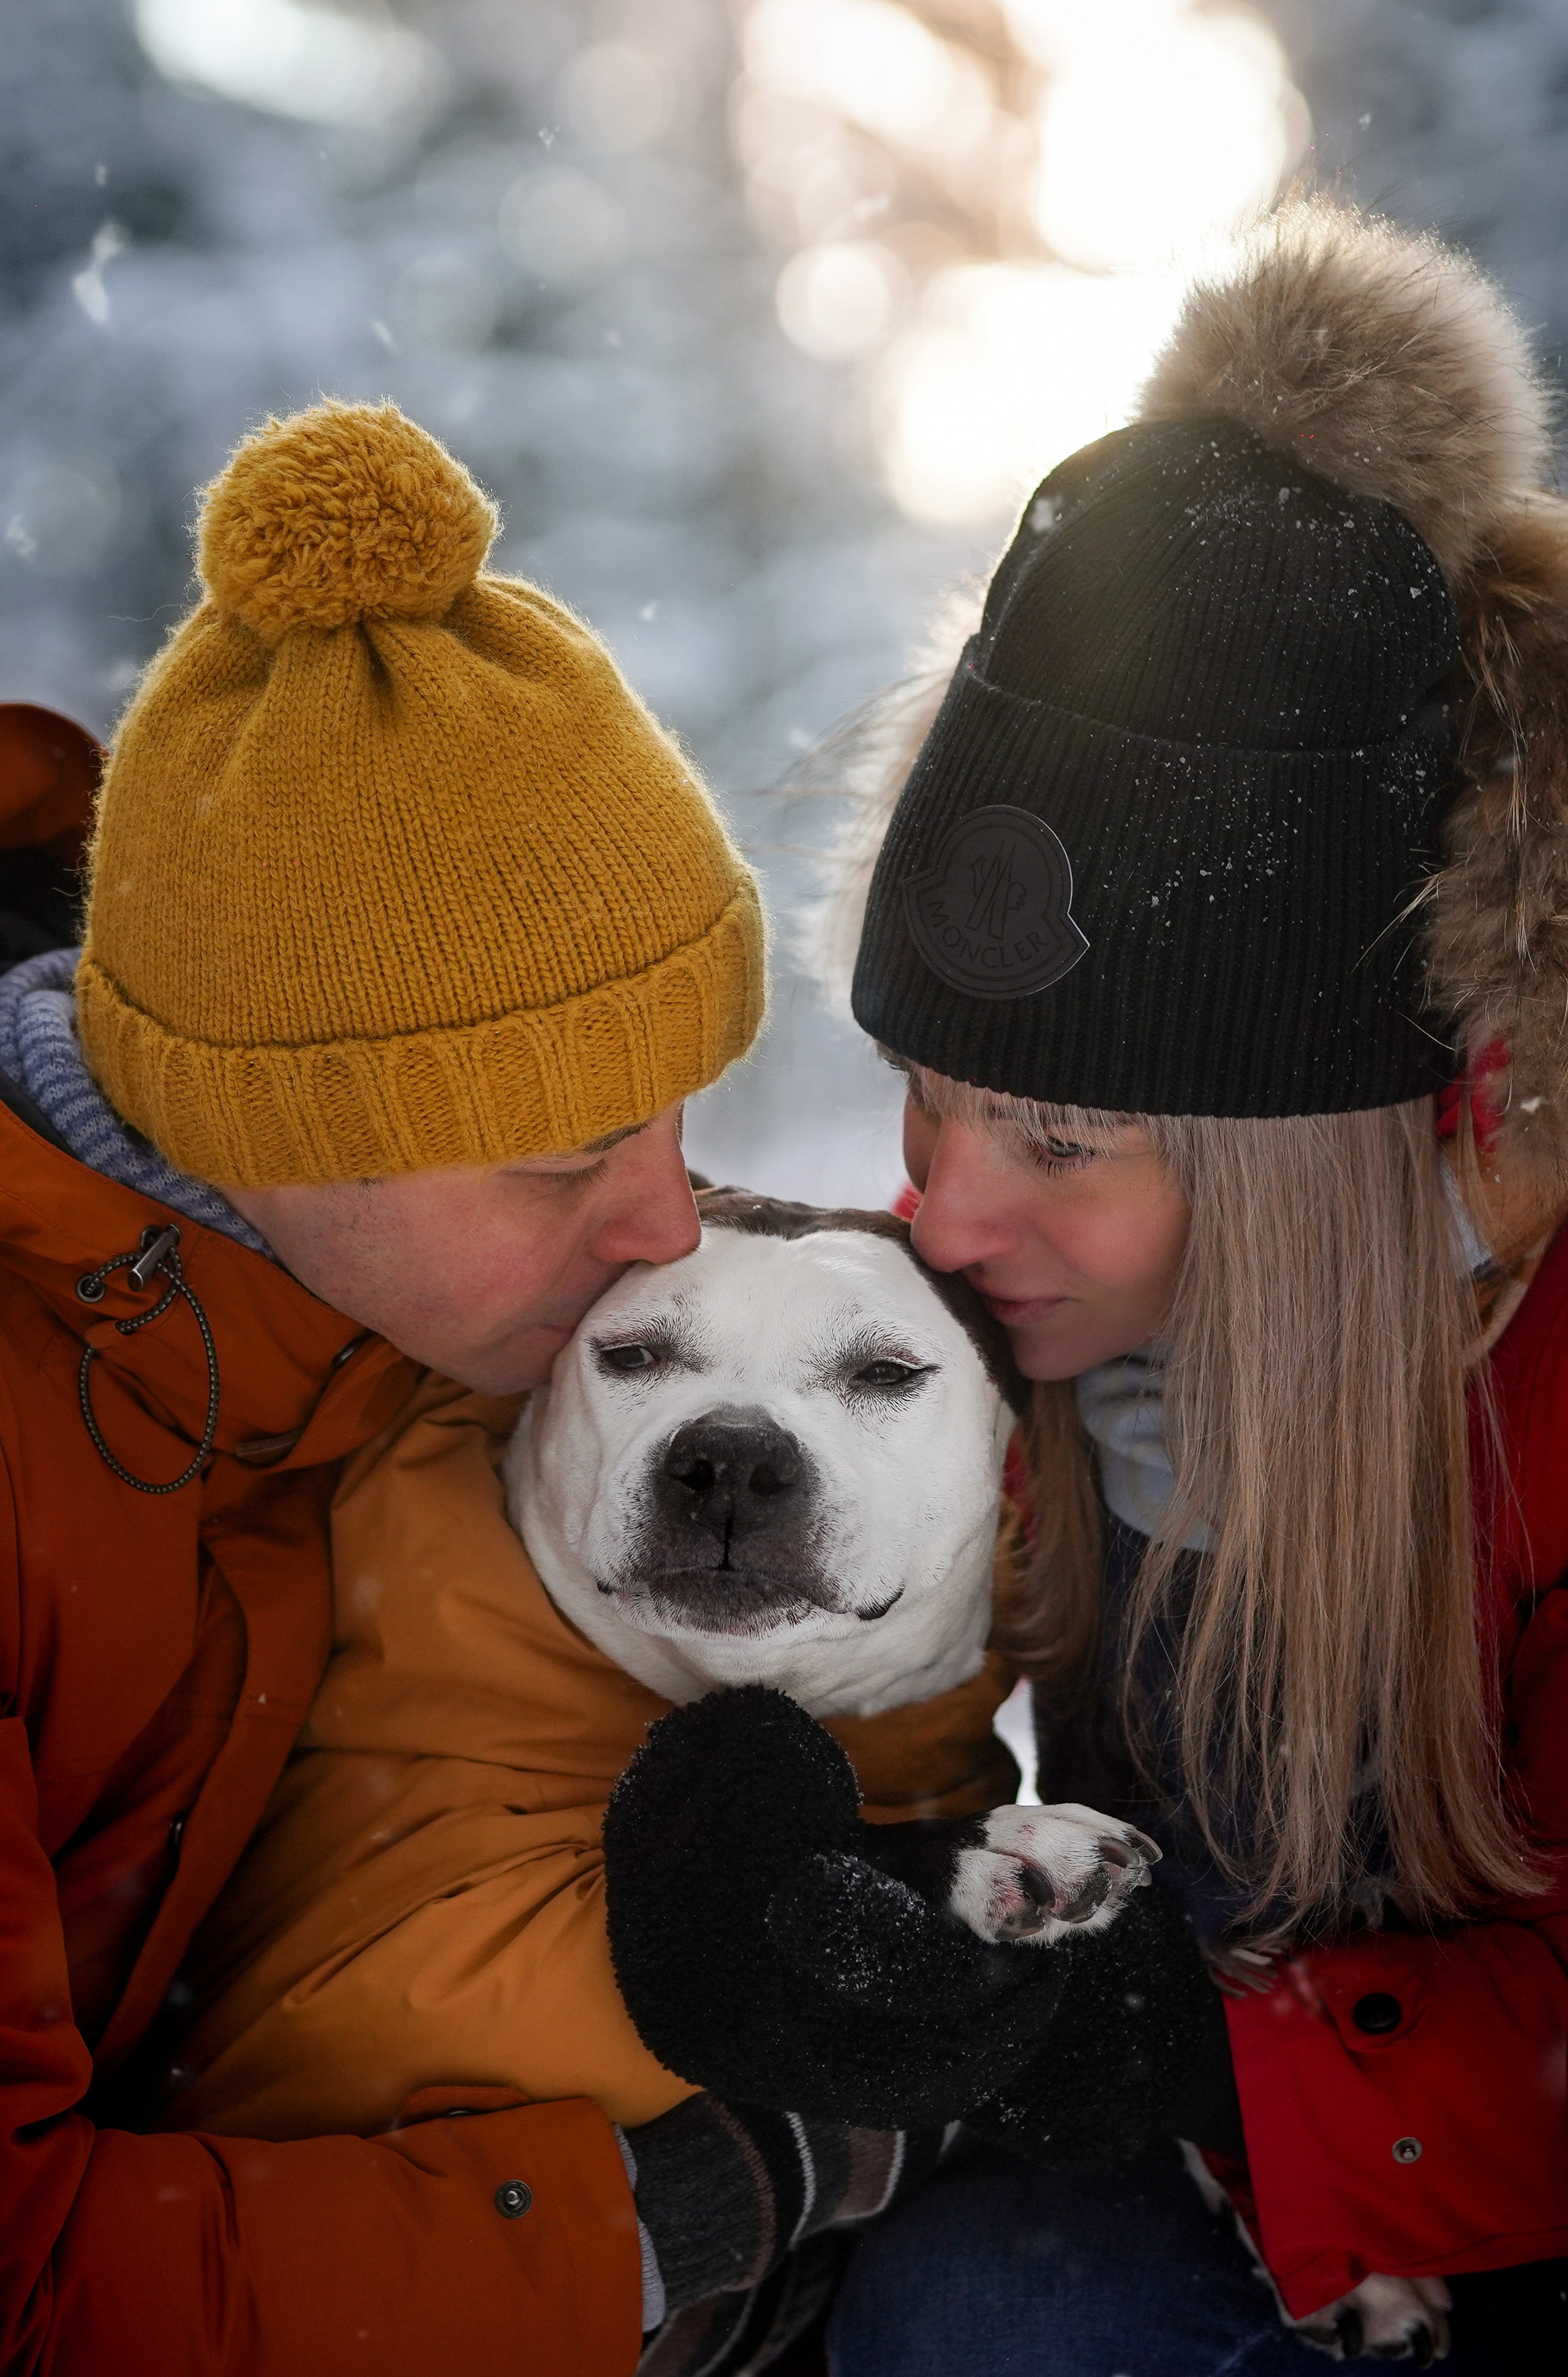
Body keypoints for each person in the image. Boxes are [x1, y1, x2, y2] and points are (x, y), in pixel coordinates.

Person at [597, 200, 1568, 2369]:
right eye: (926, 1095)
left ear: (1302, 1166)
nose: (943, 1211)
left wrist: (1186, 2044)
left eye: (1059, 1139)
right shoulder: (1099, 1347)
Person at [0, 397, 769, 2375]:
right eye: (560, 1156)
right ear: (278, 1120)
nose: (668, 1223)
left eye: (679, 1119)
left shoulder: (377, 1309)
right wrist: (667, 2218)